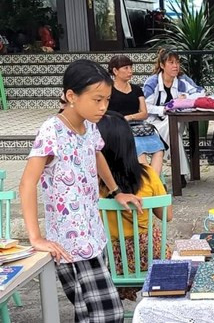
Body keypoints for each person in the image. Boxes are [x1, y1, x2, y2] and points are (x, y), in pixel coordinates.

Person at [19, 60, 144, 323]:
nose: (103, 107)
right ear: (71, 96)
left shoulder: (89, 126)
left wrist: (116, 192)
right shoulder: (52, 130)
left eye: (107, 100)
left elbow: (96, 154)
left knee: (90, 314)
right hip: (70, 243)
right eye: (97, 99)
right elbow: (27, 183)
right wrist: (36, 237)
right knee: (107, 313)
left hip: (93, 234)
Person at [97, 111, 173, 301]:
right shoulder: (147, 175)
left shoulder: (94, 182)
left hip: (113, 263)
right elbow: (167, 216)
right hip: (151, 257)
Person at [143, 48, 204, 186]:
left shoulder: (182, 80)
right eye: (171, 62)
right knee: (174, 135)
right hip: (155, 123)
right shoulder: (152, 82)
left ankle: (159, 165)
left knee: (174, 126)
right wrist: (163, 109)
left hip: (176, 122)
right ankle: (180, 174)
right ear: (162, 65)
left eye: (177, 62)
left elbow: (201, 93)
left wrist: (186, 97)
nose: (175, 66)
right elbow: (145, 107)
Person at [107, 55, 165, 175]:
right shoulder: (108, 90)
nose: (130, 71)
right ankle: (149, 185)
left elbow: (144, 113)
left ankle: (153, 183)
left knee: (159, 149)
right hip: (118, 129)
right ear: (115, 71)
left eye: (131, 67)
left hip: (139, 127)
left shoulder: (136, 89)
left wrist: (130, 117)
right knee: (139, 150)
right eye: (126, 68)